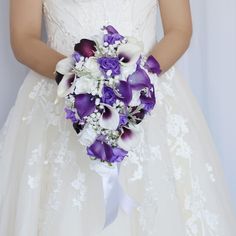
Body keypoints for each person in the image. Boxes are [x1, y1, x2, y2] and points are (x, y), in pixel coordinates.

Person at [0, 0, 236, 235]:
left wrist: (138, 81)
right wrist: (81, 79)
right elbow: (23, 38)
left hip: (148, 97)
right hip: (60, 98)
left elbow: (180, 29)